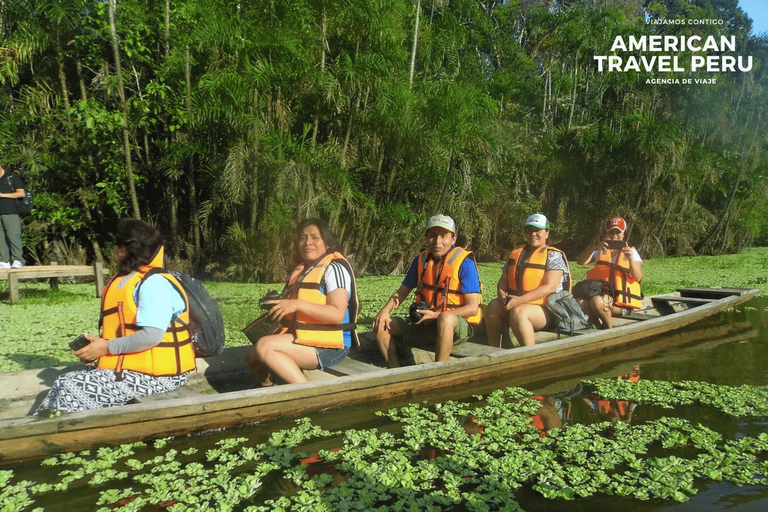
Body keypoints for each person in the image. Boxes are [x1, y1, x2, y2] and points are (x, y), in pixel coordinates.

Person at [35, 219, 196, 414]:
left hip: (162, 376)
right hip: (134, 370)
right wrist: (100, 349)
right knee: (64, 380)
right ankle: (39, 430)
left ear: (122, 249)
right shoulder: (131, 280)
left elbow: (151, 336)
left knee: (73, 387)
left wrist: (106, 347)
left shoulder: (154, 283)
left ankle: (56, 438)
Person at [244, 218, 359, 387]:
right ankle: (269, 388)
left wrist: (297, 304)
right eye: (303, 238)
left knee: (265, 348)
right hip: (304, 336)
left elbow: (336, 314)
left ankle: (309, 394)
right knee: (252, 357)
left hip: (332, 346)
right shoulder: (301, 270)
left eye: (315, 237)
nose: (308, 242)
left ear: (327, 243)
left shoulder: (335, 268)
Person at [372, 214, 482, 367]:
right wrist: (384, 311)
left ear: (453, 239)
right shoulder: (420, 261)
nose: (437, 242)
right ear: (426, 238)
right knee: (382, 324)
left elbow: (472, 308)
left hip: (455, 326)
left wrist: (436, 315)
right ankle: (394, 370)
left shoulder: (465, 263)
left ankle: (437, 372)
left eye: (443, 236)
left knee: (446, 318)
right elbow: (402, 292)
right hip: (425, 324)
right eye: (432, 236)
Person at [484, 213, 571, 348]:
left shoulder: (554, 255)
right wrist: (502, 297)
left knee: (519, 312)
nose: (533, 234)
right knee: (493, 306)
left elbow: (550, 287)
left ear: (547, 233)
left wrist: (519, 301)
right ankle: (493, 350)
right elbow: (502, 281)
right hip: (516, 304)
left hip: (547, 310)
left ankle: (530, 355)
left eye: (537, 231)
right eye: (529, 231)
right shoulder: (517, 254)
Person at [573, 216, 643, 329]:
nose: (614, 235)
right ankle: (595, 325)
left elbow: (638, 277)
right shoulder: (599, 251)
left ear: (623, 233)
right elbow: (580, 262)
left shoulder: (632, 252)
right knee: (578, 301)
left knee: (597, 302)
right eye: (611, 232)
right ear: (605, 234)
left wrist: (630, 259)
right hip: (601, 296)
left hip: (620, 304)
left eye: (618, 232)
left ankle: (609, 327)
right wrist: (594, 248)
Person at [0, 162, 25, 269]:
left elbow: (21, 193)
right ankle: (3, 260)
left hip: (10, 211)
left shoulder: (11, 177)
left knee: (13, 235)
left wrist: (2, 195)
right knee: (0, 238)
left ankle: (18, 259)